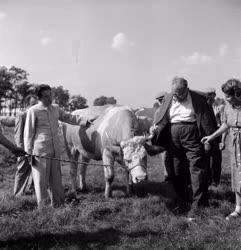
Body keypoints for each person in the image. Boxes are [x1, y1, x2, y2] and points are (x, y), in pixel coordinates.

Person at [150, 77, 217, 219]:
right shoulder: (168, 98)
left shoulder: (198, 98)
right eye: (175, 94)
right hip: (173, 134)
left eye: (180, 93)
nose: (177, 96)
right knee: (176, 167)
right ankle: (182, 199)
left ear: (187, 88)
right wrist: (156, 128)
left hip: (192, 132)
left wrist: (209, 139)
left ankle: (199, 205)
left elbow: (207, 120)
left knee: (197, 167)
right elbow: (163, 119)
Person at [24, 84, 96, 208]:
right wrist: (28, 153)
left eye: (50, 95)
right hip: (40, 152)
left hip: (55, 150)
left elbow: (69, 117)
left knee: (56, 181)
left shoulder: (56, 108)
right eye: (46, 96)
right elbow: (28, 134)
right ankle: (44, 208)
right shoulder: (33, 111)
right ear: (39, 98)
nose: (49, 98)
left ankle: (59, 205)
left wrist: (84, 121)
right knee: (41, 181)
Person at [201, 78, 241, 220]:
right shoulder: (228, 107)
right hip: (235, 145)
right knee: (237, 174)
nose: (226, 99)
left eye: (228, 96)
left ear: (237, 93)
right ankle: (238, 208)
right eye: (225, 96)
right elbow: (226, 125)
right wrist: (212, 137)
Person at [13, 94, 38, 196]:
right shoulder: (22, 115)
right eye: (32, 104)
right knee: (22, 171)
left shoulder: (37, 115)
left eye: (36, 104)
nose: (35, 106)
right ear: (27, 105)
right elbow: (18, 135)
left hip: (36, 148)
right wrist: (21, 150)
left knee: (35, 169)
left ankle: (31, 190)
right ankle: (17, 194)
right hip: (24, 149)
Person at [204, 88, 222, 186]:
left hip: (215, 135)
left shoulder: (215, 106)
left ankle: (215, 180)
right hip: (208, 136)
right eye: (209, 95)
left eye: (213, 95)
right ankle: (210, 179)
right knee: (208, 159)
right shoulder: (205, 107)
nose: (211, 97)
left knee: (215, 159)